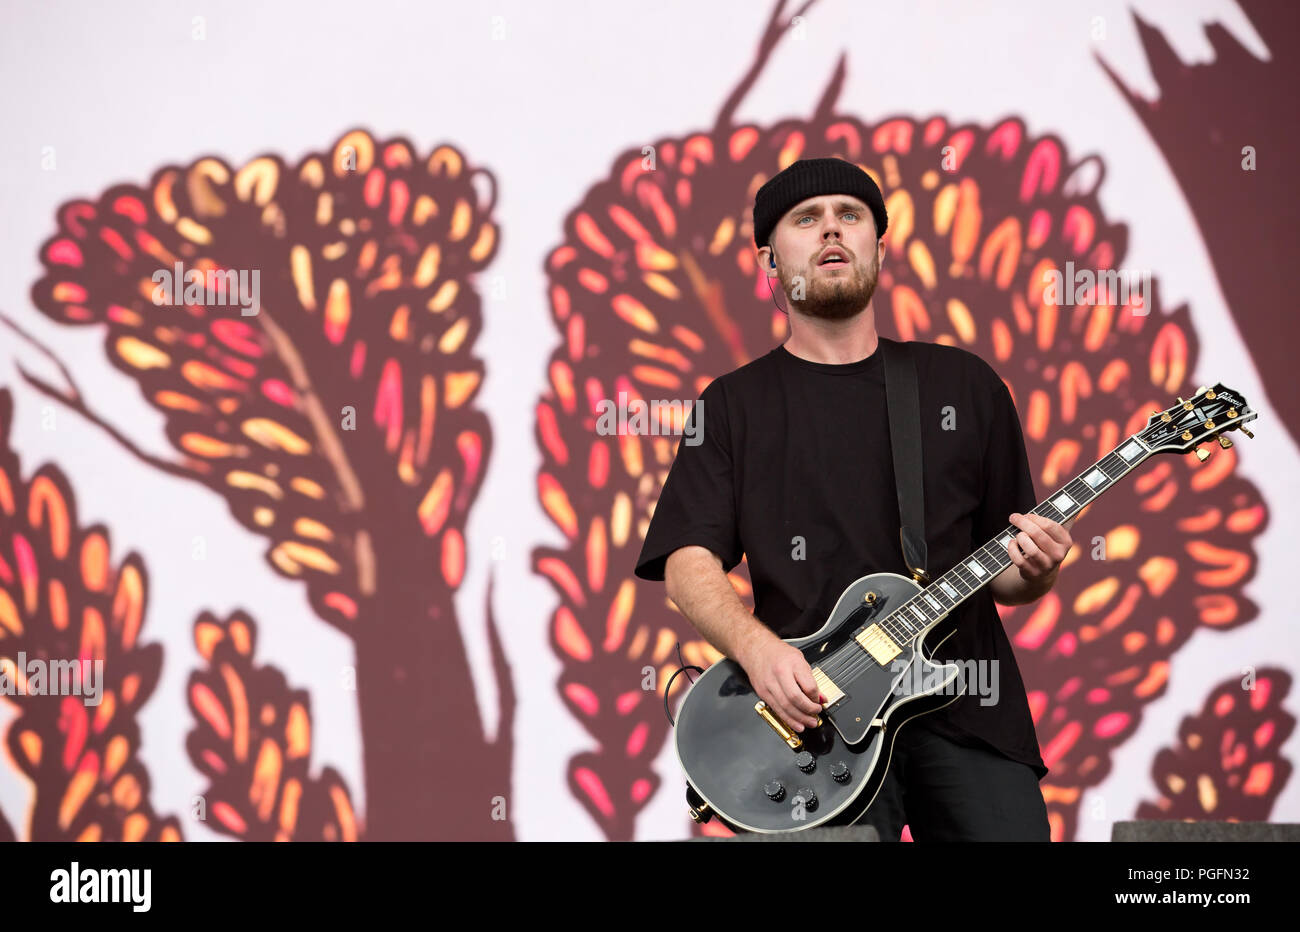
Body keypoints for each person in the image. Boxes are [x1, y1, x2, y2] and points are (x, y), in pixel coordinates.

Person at [633, 157, 1074, 842]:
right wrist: (758, 652)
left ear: (879, 245)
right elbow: (688, 561)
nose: (831, 229)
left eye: (851, 215)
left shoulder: (962, 385)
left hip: (964, 708)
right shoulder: (731, 406)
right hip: (812, 723)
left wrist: (1040, 566)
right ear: (769, 261)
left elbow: (1012, 572)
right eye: (806, 219)